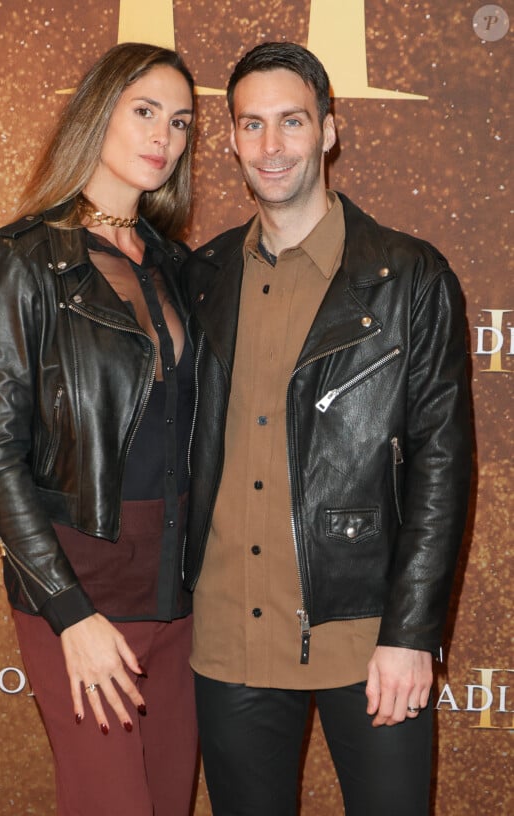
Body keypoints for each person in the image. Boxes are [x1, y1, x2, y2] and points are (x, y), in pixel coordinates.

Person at [183, 41, 472, 816]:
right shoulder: (201, 278)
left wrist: (413, 633)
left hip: (368, 639)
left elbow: (443, 467)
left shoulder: (410, 276)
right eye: (252, 125)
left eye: (291, 122)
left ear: (331, 129)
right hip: (228, 639)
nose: (271, 147)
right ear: (231, 140)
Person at [0, 42, 197, 816]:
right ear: (96, 113)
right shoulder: (22, 259)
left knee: (167, 802)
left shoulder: (178, 267)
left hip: (179, 596)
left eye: (181, 121)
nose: (164, 134)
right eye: (143, 111)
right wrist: (71, 614)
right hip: (82, 596)